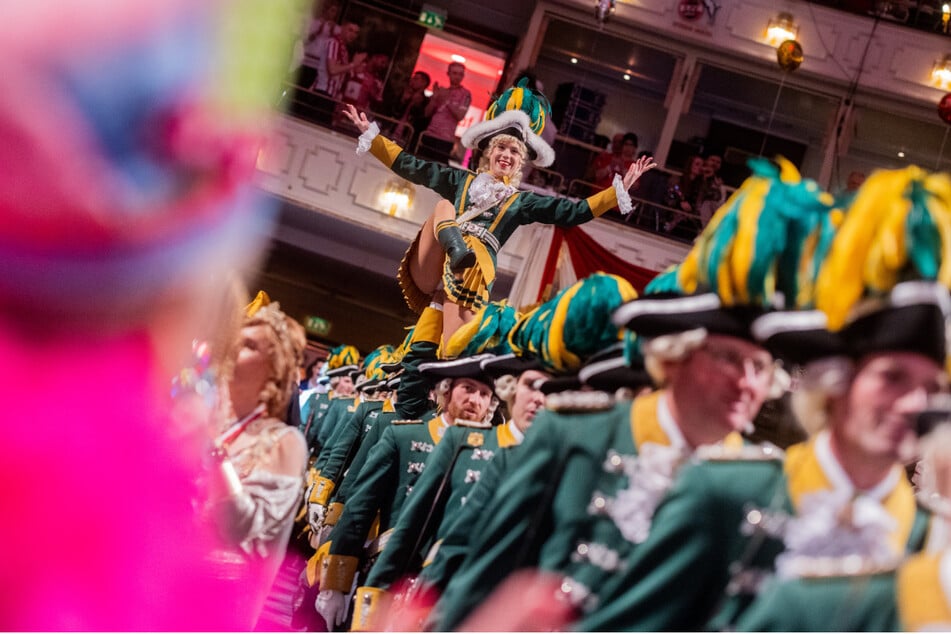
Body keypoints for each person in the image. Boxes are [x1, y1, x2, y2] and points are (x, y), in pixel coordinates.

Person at [341, 81, 656, 345]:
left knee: (440, 353)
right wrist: (374, 137)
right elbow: (414, 167)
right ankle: (455, 248)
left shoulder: (521, 202)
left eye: (514, 152)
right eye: (501, 149)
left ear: (521, 163)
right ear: (488, 154)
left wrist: (618, 192)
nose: (506, 155)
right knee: (443, 207)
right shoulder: (460, 180)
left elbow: (573, 212)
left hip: (471, 276)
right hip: (436, 261)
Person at [313, 302, 514, 630]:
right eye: (467, 388)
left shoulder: (495, 455)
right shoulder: (405, 436)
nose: (474, 401)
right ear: (445, 392)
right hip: (383, 574)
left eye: (483, 394)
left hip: (437, 592)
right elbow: (359, 511)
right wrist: (335, 584)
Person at [204, 294, 309, 629]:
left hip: (216, 601)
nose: (234, 348)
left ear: (273, 367)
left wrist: (213, 454)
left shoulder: (284, 442)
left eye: (249, 345)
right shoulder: (200, 416)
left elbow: (240, 526)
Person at [419, 61, 472, 163]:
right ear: (448, 74)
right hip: (429, 134)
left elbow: (460, 116)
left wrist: (446, 100)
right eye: (454, 73)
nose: (457, 77)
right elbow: (426, 113)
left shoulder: (465, 94)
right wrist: (435, 98)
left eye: (460, 74)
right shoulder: (442, 91)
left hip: (445, 139)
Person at [314, 18, 365, 100]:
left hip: (332, 94)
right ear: (342, 28)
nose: (352, 35)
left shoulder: (344, 48)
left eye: (356, 33)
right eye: (350, 30)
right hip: (323, 92)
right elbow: (332, 70)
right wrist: (353, 64)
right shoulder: (334, 43)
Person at [297, 0, 341, 89]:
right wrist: (317, 31)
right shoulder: (314, 23)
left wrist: (332, 32)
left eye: (335, 11)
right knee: (298, 86)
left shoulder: (336, 29)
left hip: (321, 67)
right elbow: (304, 41)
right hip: (307, 61)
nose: (333, 14)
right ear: (326, 10)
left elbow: (338, 46)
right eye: (332, 10)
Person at [383, 70, 431, 150]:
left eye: (416, 79)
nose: (412, 81)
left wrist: (417, 105)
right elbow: (393, 111)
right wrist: (403, 100)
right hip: (394, 130)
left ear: (424, 83)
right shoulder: (405, 94)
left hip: (408, 136)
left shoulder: (426, 101)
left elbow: (421, 120)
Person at [662, 153, 704, 234]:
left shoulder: (700, 186)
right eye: (697, 164)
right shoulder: (677, 181)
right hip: (674, 219)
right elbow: (668, 199)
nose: (700, 168)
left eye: (702, 165)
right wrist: (679, 203)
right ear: (690, 165)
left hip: (690, 221)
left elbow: (699, 206)